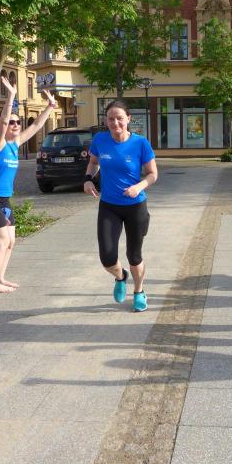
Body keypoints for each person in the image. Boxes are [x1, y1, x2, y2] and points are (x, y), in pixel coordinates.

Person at [0, 77, 57, 292]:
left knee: (11, 241)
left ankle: (0, 278)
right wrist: (11, 96)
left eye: (17, 122)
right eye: (12, 122)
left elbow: (37, 125)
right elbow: (2, 122)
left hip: (4, 200)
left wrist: (50, 106)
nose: (15, 125)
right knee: (1, 242)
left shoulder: (15, 144)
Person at [83, 101, 158, 312]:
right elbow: (94, 163)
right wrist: (88, 179)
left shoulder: (140, 143)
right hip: (109, 206)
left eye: (119, 118)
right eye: (110, 119)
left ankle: (139, 291)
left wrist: (139, 186)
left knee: (134, 256)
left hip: (135, 206)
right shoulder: (100, 140)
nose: (115, 123)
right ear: (106, 121)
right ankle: (120, 276)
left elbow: (153, 174)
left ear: (128, 119)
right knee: (107, 257)